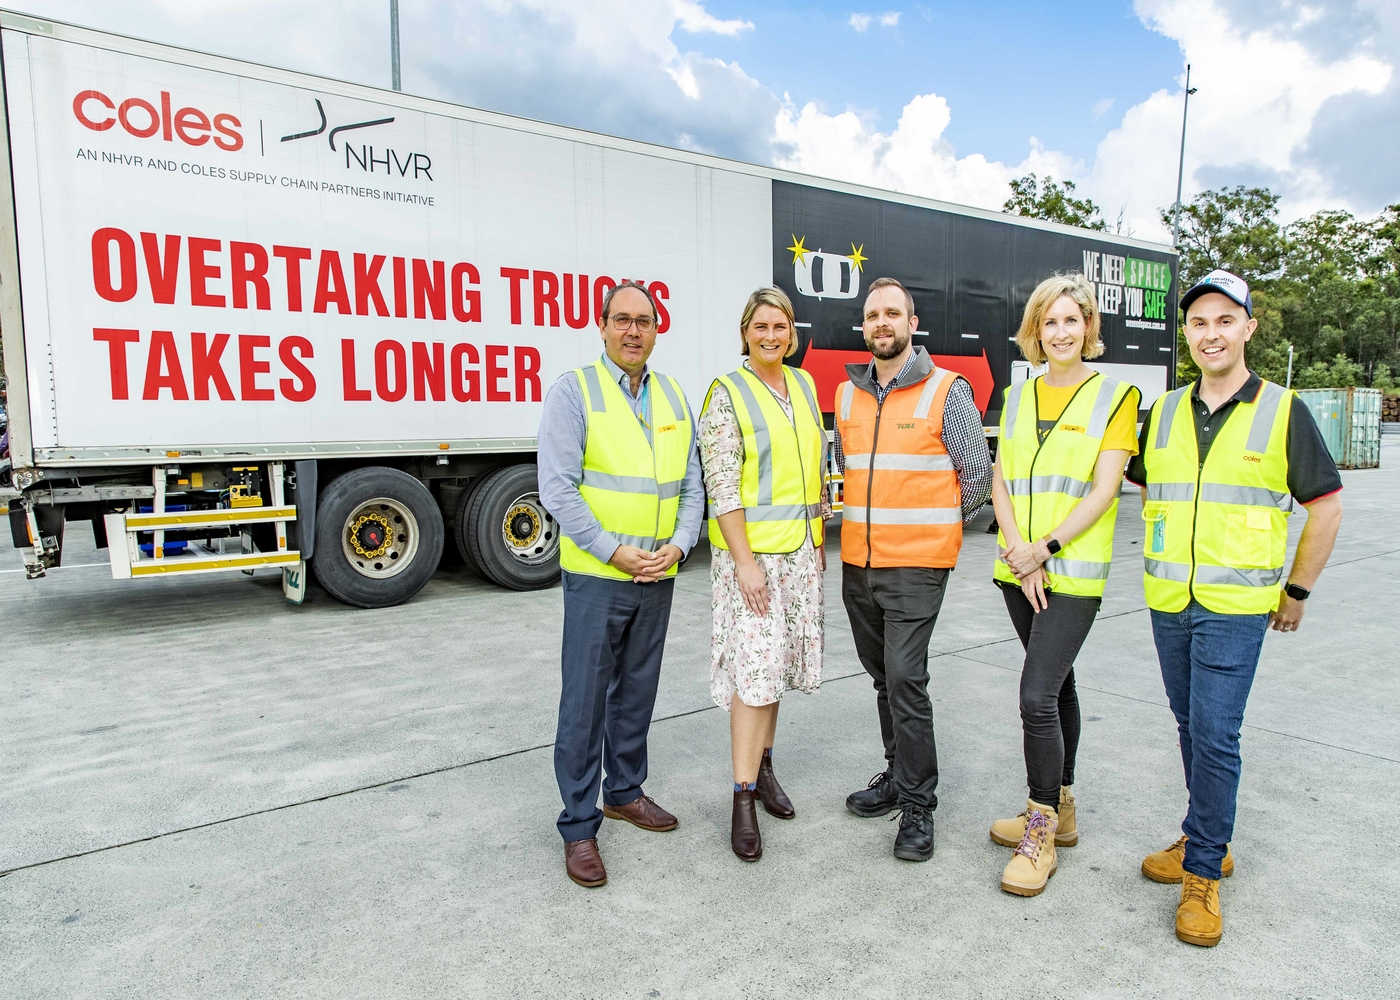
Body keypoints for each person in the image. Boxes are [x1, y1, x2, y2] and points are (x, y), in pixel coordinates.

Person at [1126, 269, 1343, 946]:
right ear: (1185, 333)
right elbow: (1139, 488)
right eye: (1199, 322)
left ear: (1249, 328)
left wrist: (1297, 589)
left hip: (1237, 607)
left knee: (1216, 734)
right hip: (1170, 600)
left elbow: (1326, 507)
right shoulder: (1161, 413)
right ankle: (1207, 840)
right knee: (1191, 725)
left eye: (1225, 320)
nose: (1210, 333)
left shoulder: (1282, 411)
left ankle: (1202, 877)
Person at [537, 279, 706, 889]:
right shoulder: (574, 392)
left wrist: (679, 546)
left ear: (657, 328)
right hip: (597, 577)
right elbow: (557, 488)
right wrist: (616, 552)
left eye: (645, 320)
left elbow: (692, 486)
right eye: (623, 320)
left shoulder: (672, 396)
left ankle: (624, 791)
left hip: (656, 575)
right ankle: (579, 826)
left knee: (636, 693)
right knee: (584, 702)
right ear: (602, 326)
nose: (634, 330)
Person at [987, 273, 1141, 897]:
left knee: (1034, 696)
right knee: (1058, 688)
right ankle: (1064, 805)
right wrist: (1022, 554)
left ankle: (1041, 825)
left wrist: (1044, 549)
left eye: (1072, 320)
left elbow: (1105, 491)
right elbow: (1001, 479)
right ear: (1035, 330)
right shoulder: (1019, 396)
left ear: (1089, 328)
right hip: (1017, 572)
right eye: (1049, 321)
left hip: (1071, 574)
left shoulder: (1116, 396)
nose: (1060, 332)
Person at [835, 276, 994, 861]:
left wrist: (935, 529)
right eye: (873, 314)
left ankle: (919, 806)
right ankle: (897, 777)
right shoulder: (847, 394)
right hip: (858, 563)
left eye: (892, 314)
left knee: (905, 678)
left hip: (918, 568)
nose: (882, 323)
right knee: (882, 677)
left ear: (912, 322)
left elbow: (976, 478)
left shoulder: (946, 390)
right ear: (864, 325)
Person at [698, 287, 829, 862]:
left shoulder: (803, 384)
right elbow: (722, 486)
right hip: (752, 562)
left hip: (800, 556)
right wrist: (746, 564)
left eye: (781, 326)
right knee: (753, 676)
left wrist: (819, 537)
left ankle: (766, 769)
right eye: (760, 327)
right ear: (745, 332)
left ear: (792, 331)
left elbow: (815, 472)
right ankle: (743, 796)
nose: (771, 335)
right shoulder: (726, 394)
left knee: (776, 670)